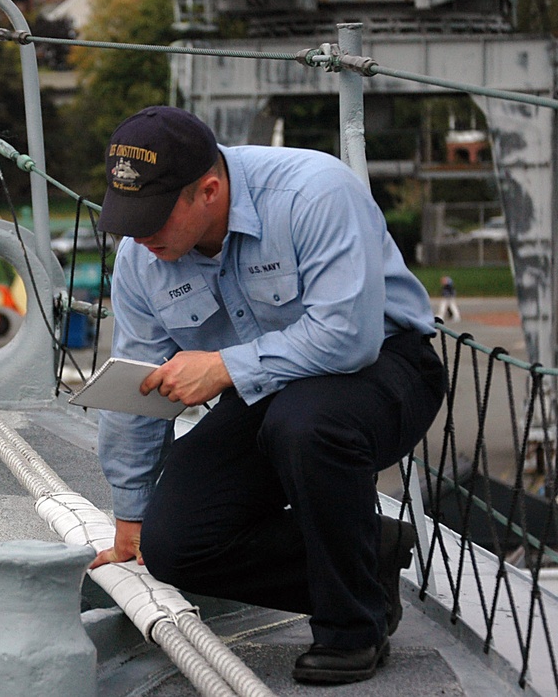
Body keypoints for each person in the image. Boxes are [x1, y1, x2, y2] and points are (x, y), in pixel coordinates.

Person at [89, 106, 446, 684]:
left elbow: (348, 338)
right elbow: (139, 384)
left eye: (152, 219)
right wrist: (131, 514)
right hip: (261, 390)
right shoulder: (140, 257)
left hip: (383, 368)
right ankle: (367, 549)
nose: (137, 235)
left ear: (208, 190)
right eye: (127, 217)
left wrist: (223, 368)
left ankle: (352, 628)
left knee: (306, 427)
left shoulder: (315, 193)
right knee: (177, 544)